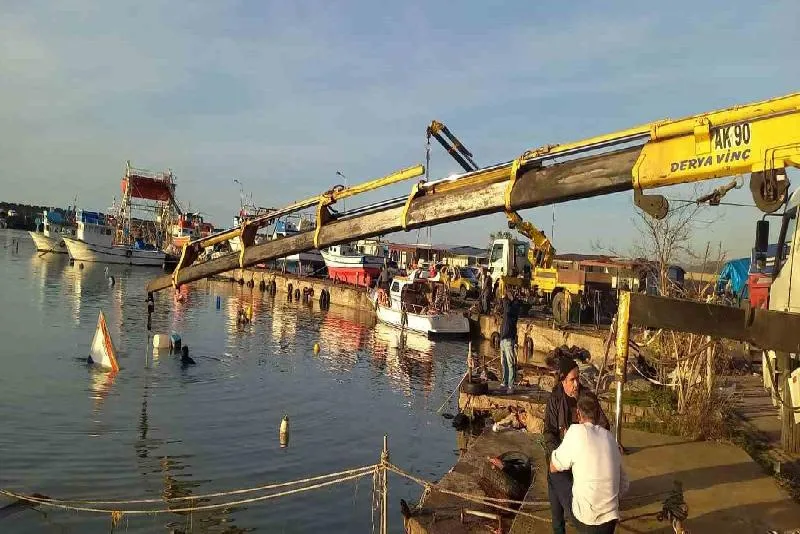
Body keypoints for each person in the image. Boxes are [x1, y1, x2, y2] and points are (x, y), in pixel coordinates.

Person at [544, 356, 611, 534]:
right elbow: (549, 432)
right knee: (553, 479)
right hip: (561, 454)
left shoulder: (587, 397)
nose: (576, 384)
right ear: (563, 380)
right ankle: (559, 527)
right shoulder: (554, 400)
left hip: (585, 457)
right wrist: (556, 452)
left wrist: (586, 432)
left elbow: (604, 424)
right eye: (572, 380)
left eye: (578, 379)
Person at [550, 392, 628, 533]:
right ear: (598, 415)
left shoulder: (576, 432)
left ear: (578, 414)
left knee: (553, 475)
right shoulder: (611, 438)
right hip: (610, 521)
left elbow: (554, 466)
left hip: (586, 519)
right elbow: (624, 484)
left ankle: (558, 530)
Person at [500, 289, 520, 393]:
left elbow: (507, 309)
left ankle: (511, 386)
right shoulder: (507, 306)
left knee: (510, 363)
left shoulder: (514, 307)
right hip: (503, 338)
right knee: (504, 362)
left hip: (508, 338)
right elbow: (503, 308)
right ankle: (505, 382)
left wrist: (507, 299)